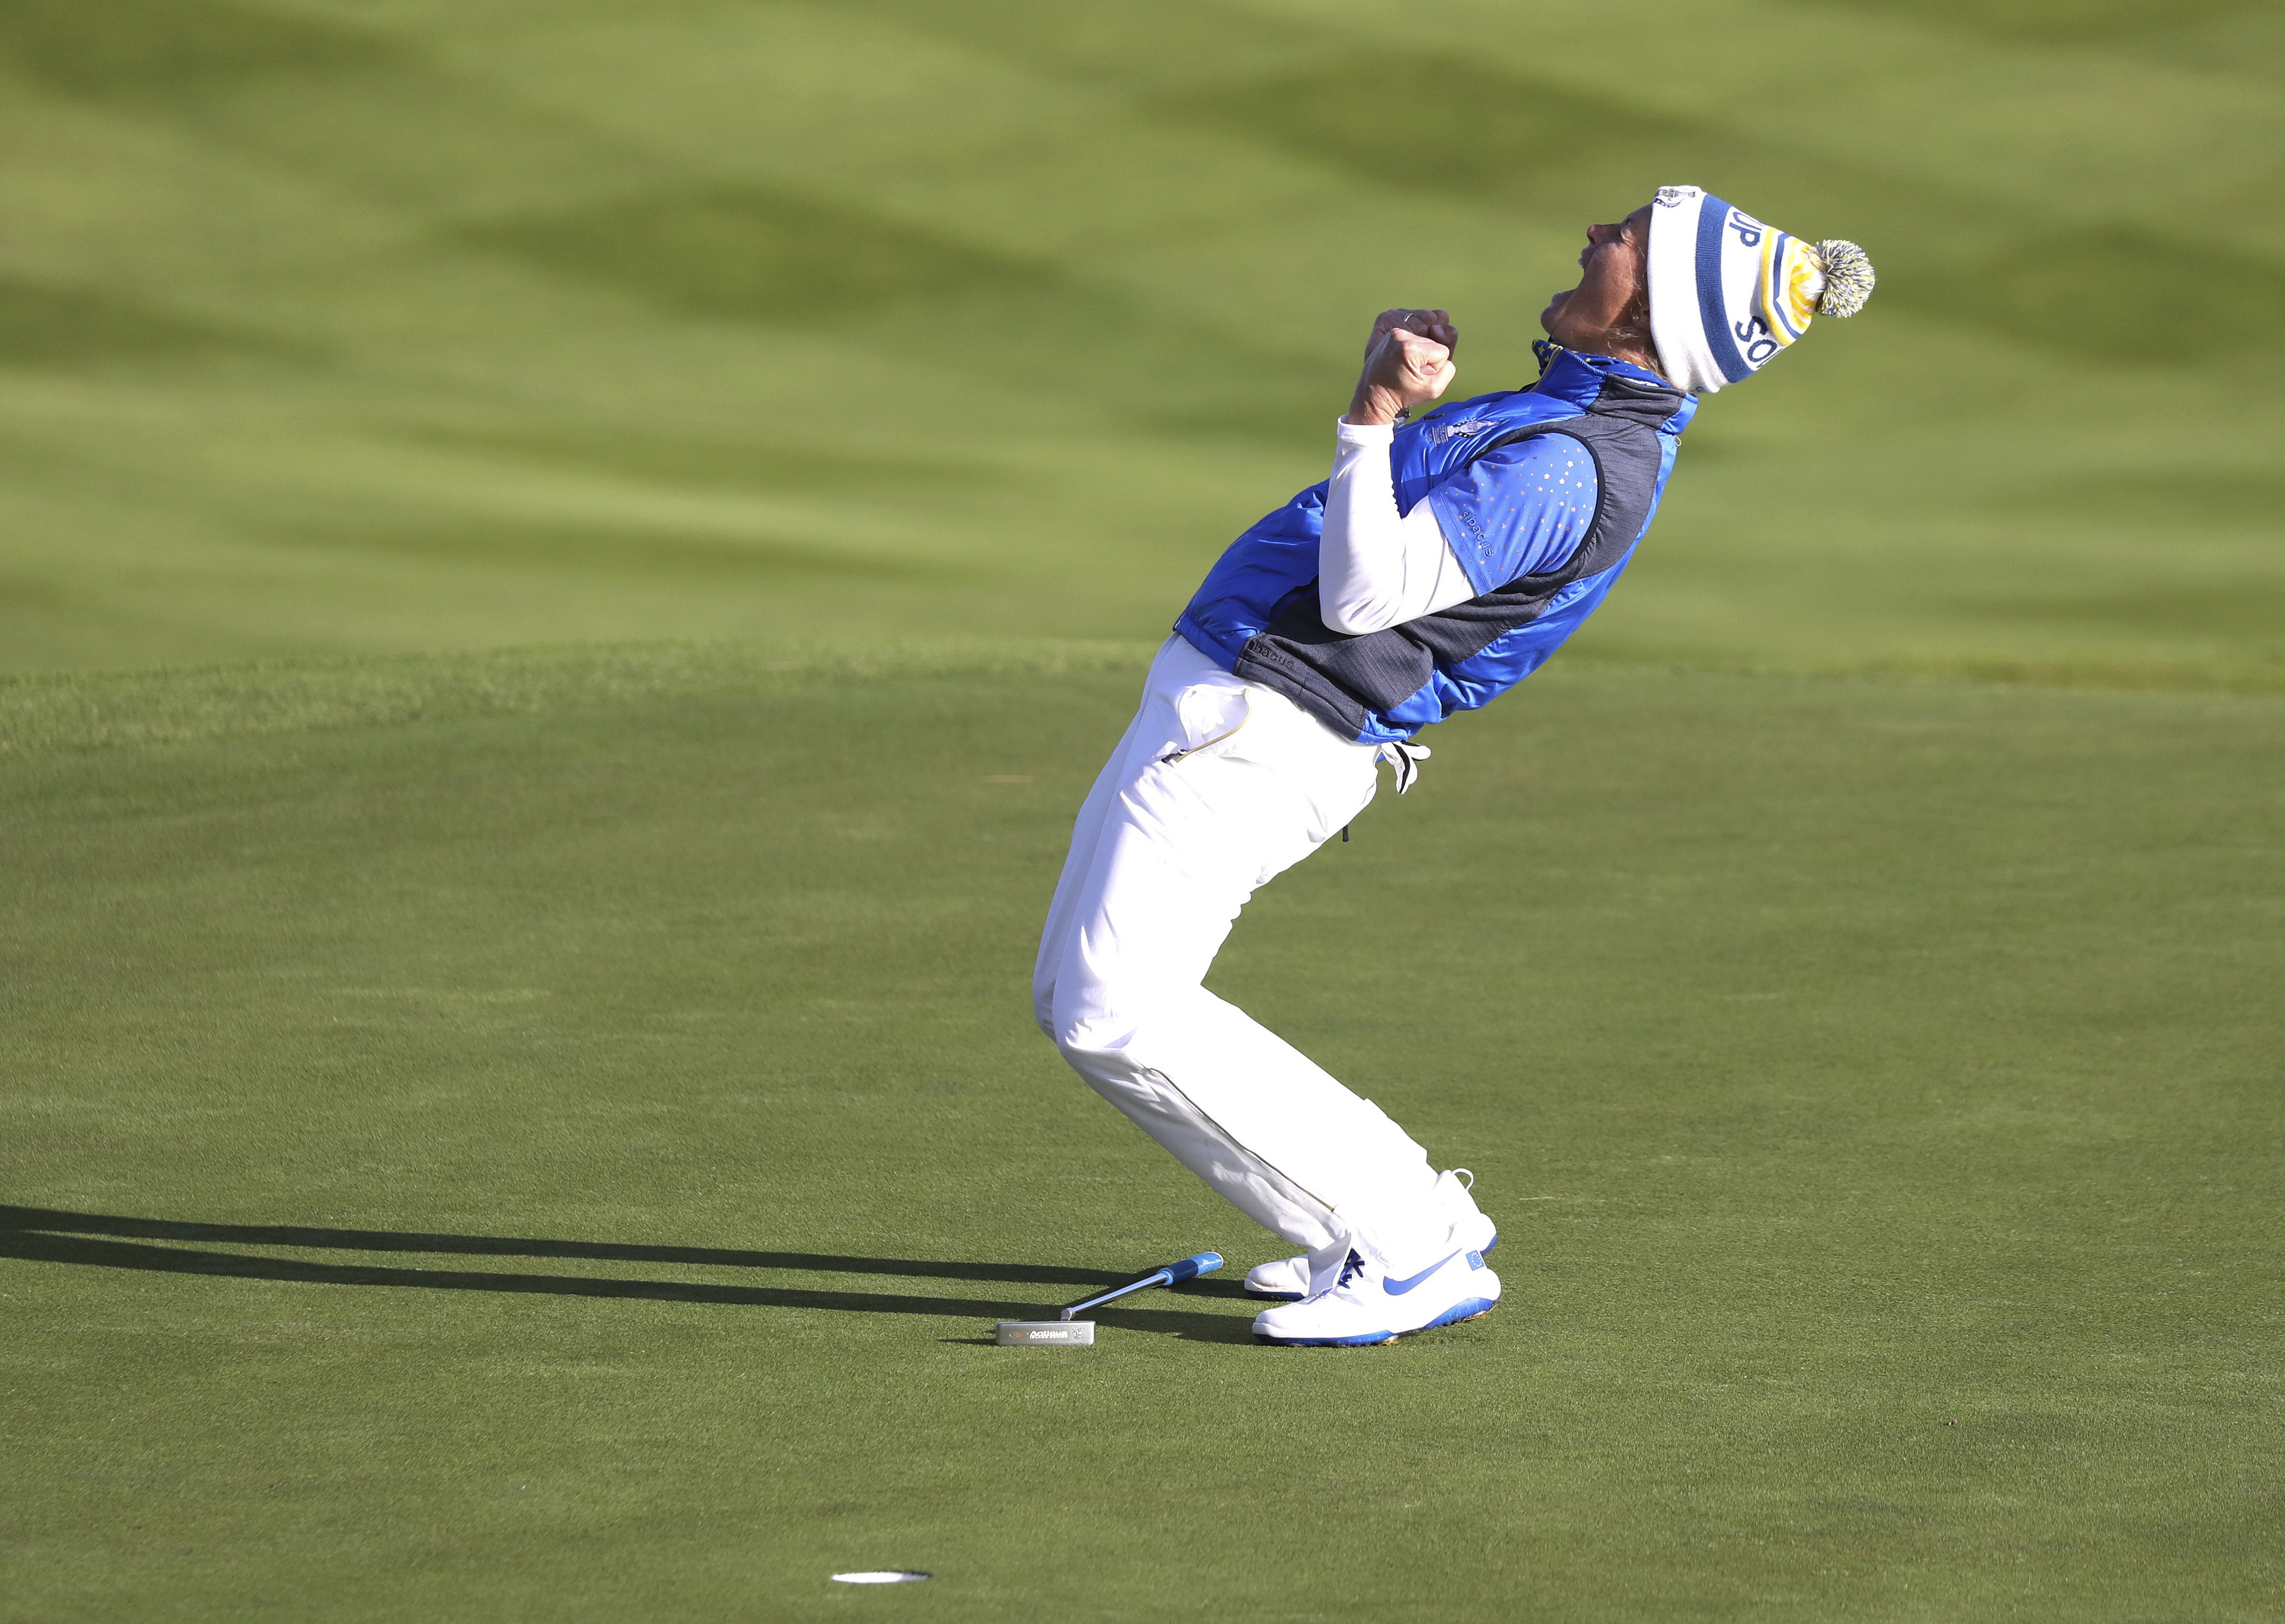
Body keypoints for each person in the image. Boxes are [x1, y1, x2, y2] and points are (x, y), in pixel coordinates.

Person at [1032, 187, 1874, 1347]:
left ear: (1651, 319)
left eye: (1624, 236)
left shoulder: (1571, 464)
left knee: (1112, 1006)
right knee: (1077, 995)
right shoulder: (1576, 411)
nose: (1595, 232)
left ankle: (1405, 1244)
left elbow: (1364, 596)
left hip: (1269, 730)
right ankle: (1389, 1224)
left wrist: (1373, 410)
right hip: (1240, 709)